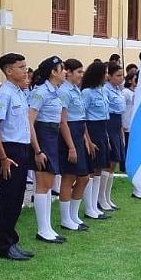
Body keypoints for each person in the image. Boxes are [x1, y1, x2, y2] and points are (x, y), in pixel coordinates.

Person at [0, 53, 35, 261]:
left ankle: (12, 242)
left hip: (21, 148)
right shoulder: (4, 94)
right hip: (10, 150)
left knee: (16, 199)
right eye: (21, 67)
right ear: (8, 71)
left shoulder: (19, 93)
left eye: (25, 66)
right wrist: (4, 157)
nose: (25, 70)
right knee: (8, 200)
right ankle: (5, 245)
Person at [28, 56, 67, 243]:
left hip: (52, 137)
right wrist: (37, 150)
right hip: (42, 137)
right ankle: (43, 230)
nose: (65, 72)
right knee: (43, 185)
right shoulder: (40, 92)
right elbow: (29, 122)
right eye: (62, 69)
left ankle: (48, 227)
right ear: (53, 72)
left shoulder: (56, 92)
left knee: (49, 184)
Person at [57, 58, 92, 231]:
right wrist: (71, 146)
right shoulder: (64, 91)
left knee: (84, 177)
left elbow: (81, 118)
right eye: (78, 71)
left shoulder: (76, 90)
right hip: (68, 135)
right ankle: (65, 219)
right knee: (69, 177)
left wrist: (87, 140)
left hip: (79, 134)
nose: (81, 75)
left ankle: (73, 215)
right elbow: (63, 122)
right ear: (68, 72)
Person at [81, 62, 113, 216]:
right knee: (93, 169)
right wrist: (88, 139)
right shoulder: (87, 92)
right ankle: (89, 208)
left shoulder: (102, 91)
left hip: (102, 129)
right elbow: (83, 118)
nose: (106, 76)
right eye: (105, 73)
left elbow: (105, 116)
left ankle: (95, 205)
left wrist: (106, 137)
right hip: (91, 130)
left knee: (100, 168)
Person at [102, 63, 126, 207]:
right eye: (117, 75)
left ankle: (107, 197)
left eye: (122, 75)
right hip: (109, 123)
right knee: (109, 162)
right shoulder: (106, 90)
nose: (121, 78)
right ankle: (101, 199)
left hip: (117, 123)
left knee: (114, 162)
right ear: (109, 76)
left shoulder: (118, 89)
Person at [120, 71, 137, 174]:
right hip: (126, 122)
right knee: (125, 146)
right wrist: (123, 123)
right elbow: (123, 109)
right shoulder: (125, 92)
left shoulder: (134, 92)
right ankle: (124, 166)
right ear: (130, 80)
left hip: (132, 122)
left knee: (130, 146)